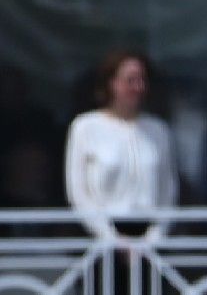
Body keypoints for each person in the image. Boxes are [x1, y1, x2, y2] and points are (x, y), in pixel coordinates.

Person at [64, 49, 179, 227]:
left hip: (148, 235)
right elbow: (78, 193)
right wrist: (109, 237)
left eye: (142, 80)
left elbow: (167, 190)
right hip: (102, 236)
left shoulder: (158, 130)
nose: (138, 87)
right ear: (112, 83)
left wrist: (155, 236)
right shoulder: (85, 127)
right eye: (130, 80)